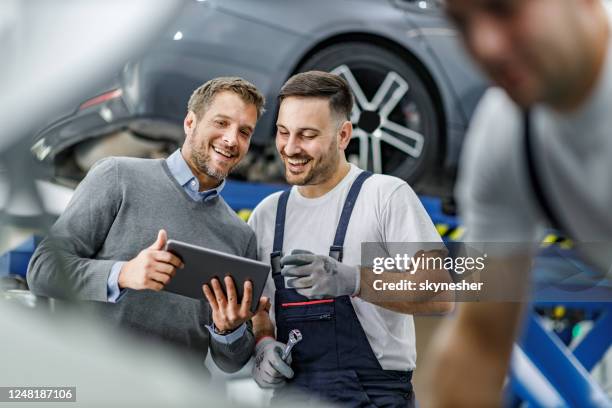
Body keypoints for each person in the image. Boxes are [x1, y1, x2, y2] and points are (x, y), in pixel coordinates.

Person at [421, 0, 612, 406]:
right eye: (461, 23)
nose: (485, 44)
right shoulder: (507, 133)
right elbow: (481, 340)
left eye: (504, 9)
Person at [27, 77, 267, 374]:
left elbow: (230, 362)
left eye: (244, 132)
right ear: (190, 122)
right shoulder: (117, 176)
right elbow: (42, 270)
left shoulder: (240, 235)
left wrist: (227, 329)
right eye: (221, 123)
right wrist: (123, 274)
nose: (232, 139)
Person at [247, 71, 453, 407]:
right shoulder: (268, 215)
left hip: (373, 396)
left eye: (308, 135)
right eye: (284, 133)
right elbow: (259, 309)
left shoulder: (384, 196)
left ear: (343, 135)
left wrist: (356, 280)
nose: (291, 147)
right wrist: (263, 343)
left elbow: (440, 292)